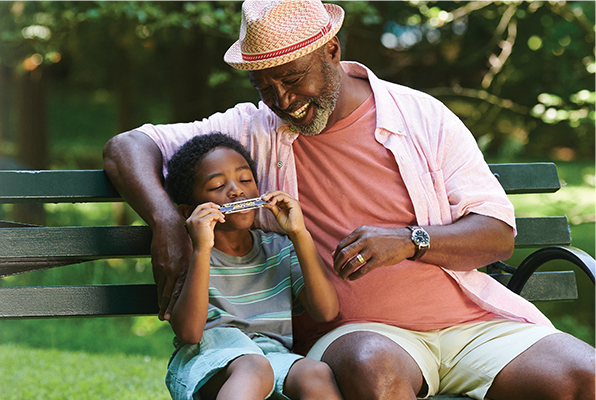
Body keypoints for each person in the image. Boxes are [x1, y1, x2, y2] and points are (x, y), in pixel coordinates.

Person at [102, 0, 596, 398]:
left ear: (332, 51)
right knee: (373, 373)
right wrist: (168, 224)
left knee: (586, 375)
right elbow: (127, 147)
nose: (283, 100)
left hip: (474, 324)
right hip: (363, 335)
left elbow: (497, 235)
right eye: (264, 86)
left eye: (293, 79)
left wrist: (409, 241)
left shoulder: (422, 116)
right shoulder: (253, 130)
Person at [163, 132, 342, 400]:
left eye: (245, 180)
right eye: (217, 186)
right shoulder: (190, 255)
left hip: (272, 356)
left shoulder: (279, 249)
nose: (236, 190)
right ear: (189, 212)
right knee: (253, 366)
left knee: (313, 374)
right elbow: (189, 333)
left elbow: (326, 311)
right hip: (207, 360)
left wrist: (299, 234)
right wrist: (201, 249)